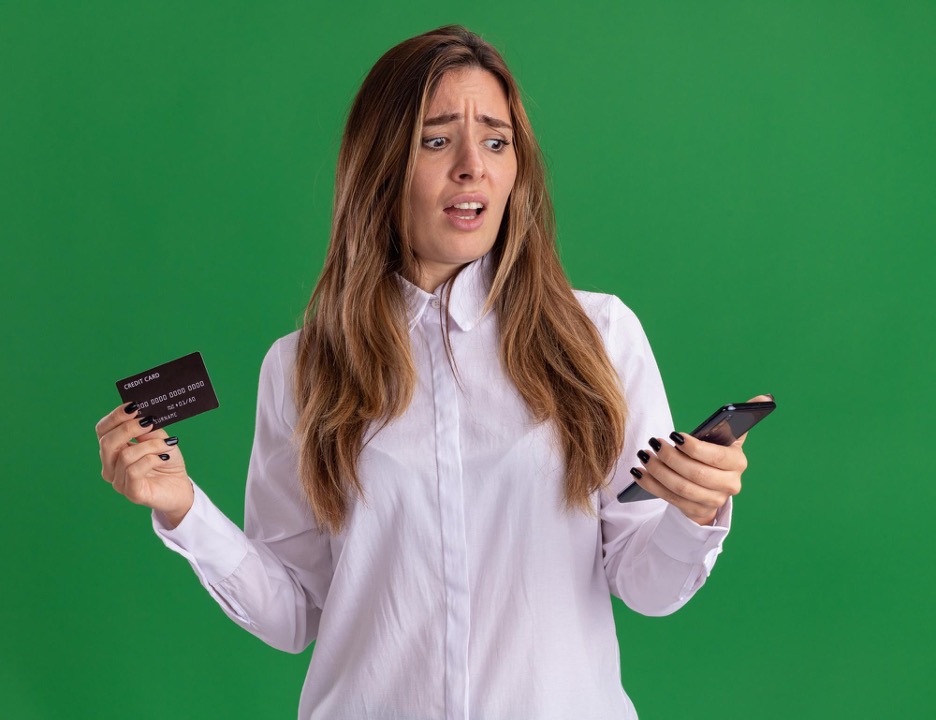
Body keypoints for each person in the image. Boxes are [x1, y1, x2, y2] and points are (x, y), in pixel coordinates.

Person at [96, 25, 767, 720]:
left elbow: (648, 586)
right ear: (380, 165)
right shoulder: (302, 366)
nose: (473, 166)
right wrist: (183, 509)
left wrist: (694, 513)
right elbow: (295, 612)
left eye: (497, 142)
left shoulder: (598, 336)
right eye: (437, 140)